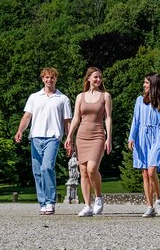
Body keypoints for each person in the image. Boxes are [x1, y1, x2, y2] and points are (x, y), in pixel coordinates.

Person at [14, 67, 73, 215]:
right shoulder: (34, 97)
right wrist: (20, 131)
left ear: (56, 79)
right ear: (42, 79)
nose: (49, 80)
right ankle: (43, 202)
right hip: (35, 137)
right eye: (46, 77)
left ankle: (50, 201)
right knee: (37, 171)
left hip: (53, 137)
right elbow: (27, 116)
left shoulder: (63, 99)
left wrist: (69, 138)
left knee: (47, 167)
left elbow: (67, 121)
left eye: (52, 77)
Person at [64, 67, 113, 217]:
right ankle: (87, 205)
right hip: (82, 135)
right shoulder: (80, 96)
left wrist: (109, 138)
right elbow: (76, 118)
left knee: (92, 169)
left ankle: (98, 196)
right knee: (83, 171)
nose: (98, 80)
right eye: (95, 77)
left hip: (98, 135)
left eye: (100, 77)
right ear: (88, 79)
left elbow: (108, 118)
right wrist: (69, 136)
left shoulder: (105, 96)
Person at [128, 73, 160, 218]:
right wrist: (131, 137)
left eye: (146, 83)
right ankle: (149, 206)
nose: (144, 85)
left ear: (154, 84)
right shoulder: (140, 100)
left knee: (151, 171)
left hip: (157, 136)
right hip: (142, 136)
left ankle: (158, 199)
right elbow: (135, 120)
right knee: (145, 173)